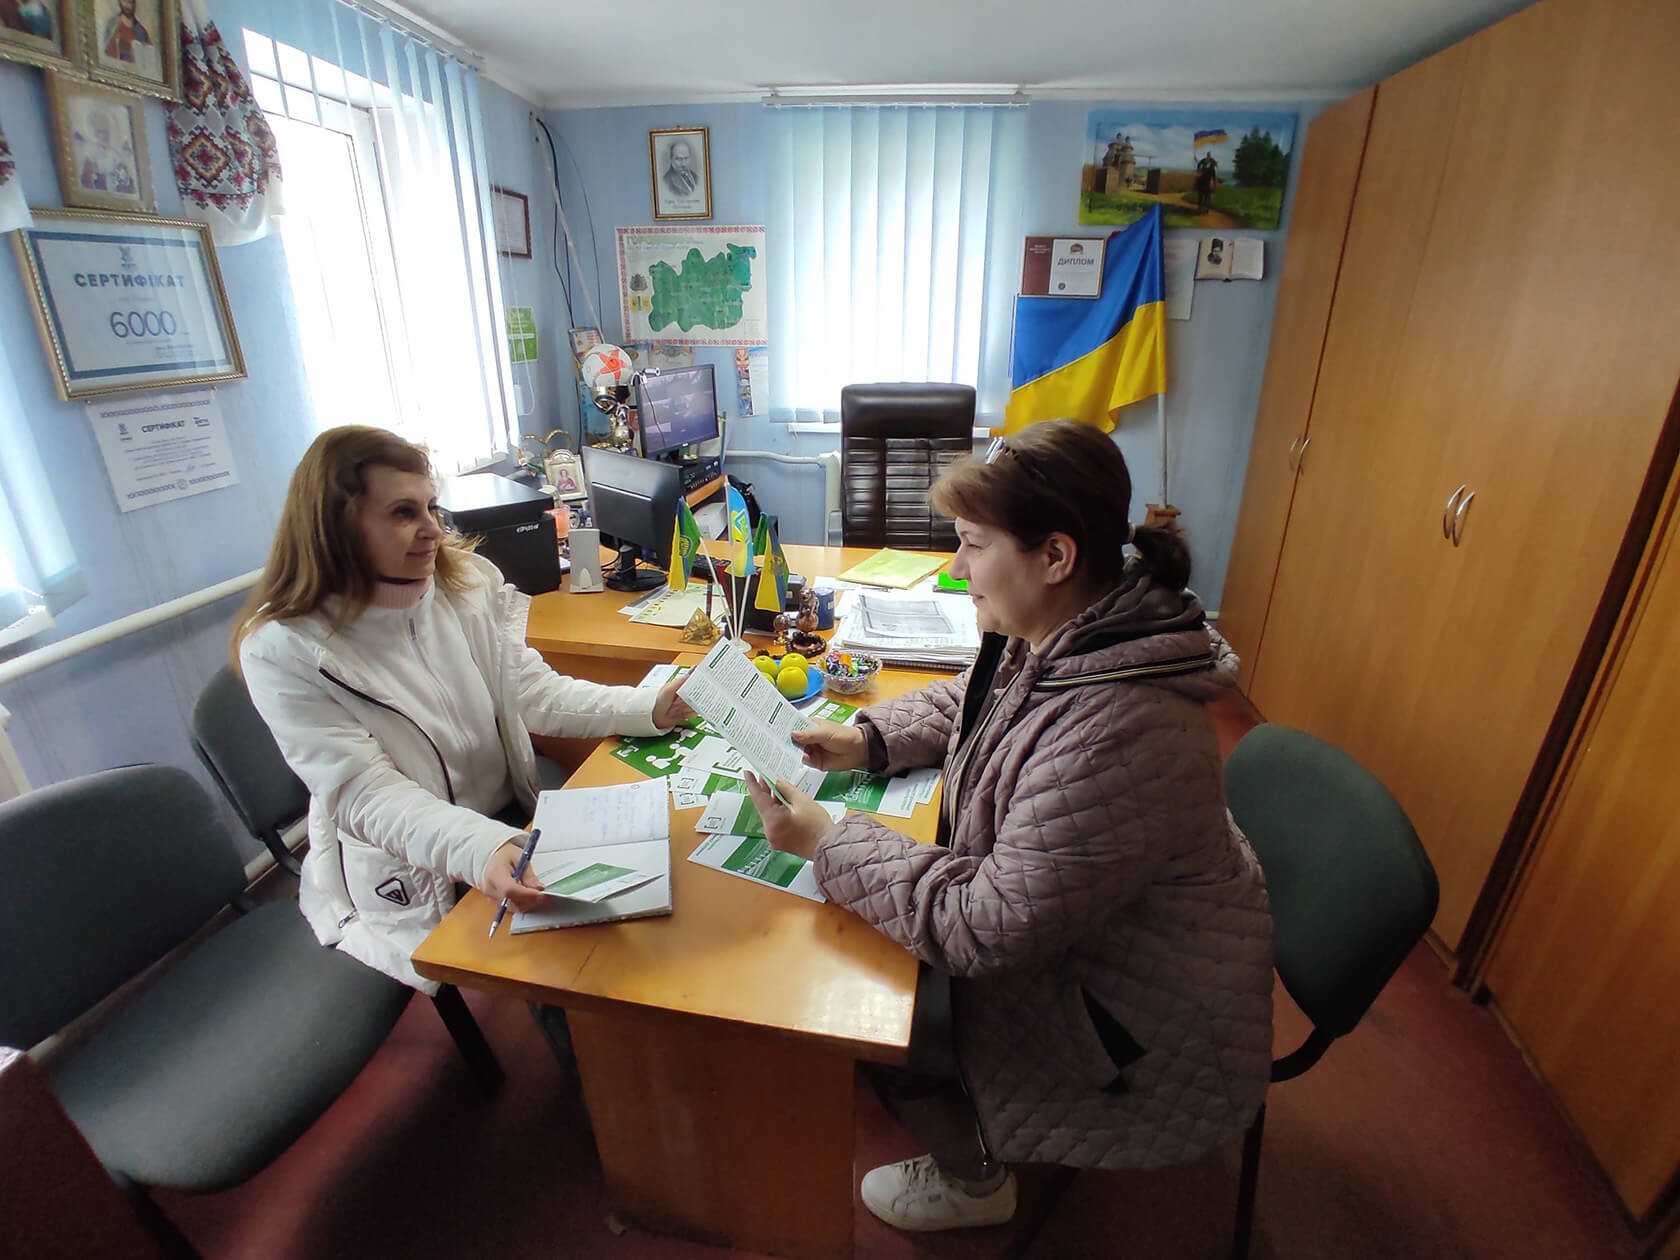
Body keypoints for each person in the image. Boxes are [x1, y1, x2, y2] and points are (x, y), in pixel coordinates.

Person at [742, 418, 1274, 1233]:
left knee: (890, 1011)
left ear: (1055, 556)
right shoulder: (1077, 627)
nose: (956, 570)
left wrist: (827, 841)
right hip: (1106, 938)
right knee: (869, 965)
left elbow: (981, 925)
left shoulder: (1123, 728)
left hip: (1132, 1017)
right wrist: (868, 738)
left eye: (972, 544)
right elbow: (975, 699)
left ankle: (976, 1178)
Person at [235, 426, 692, 991]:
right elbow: (363, 796)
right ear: (336, 528)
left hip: (508, 818)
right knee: (583, 966)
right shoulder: (284, 649)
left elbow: (536, 695)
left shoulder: (466, 583)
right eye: (404, 513)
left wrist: (650, 706)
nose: (433, 529)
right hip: (419, 858)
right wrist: (481, 847)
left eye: (430, 506)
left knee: (658, 907)